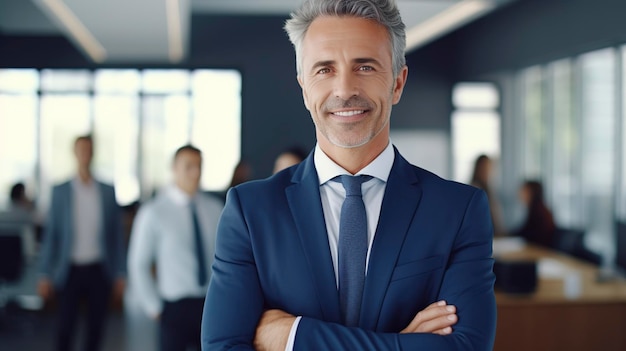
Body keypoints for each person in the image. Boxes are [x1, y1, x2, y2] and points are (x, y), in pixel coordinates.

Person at [201, 0, 497, 350]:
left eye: (365, 67)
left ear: (398, 83)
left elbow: (466, 347)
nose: (344, 90)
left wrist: (294, 337)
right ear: (304, 88)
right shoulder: (251, 211)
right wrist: (400, 343)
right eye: (324, 69)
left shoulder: (458, 210)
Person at [128, 144, 224, 351]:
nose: (195, 173)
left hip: (210, 304)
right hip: (173, 308)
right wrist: (154, 308)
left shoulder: (215, 209)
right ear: (174, 169)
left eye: (199, 166)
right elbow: (138, 264)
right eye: (189, 166)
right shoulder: (153, 212)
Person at [37, 135, 126, 351]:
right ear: (75, 153)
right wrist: (44, 273)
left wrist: (120, 273)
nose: (85, 153)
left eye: (88, 149)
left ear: (93, 153)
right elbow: (53, 235)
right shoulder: (61, 190)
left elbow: (116, 235)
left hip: (99, 268)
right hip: (69, 269)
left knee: (96, 328)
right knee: (65, 327)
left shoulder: (106, 190)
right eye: (81, 149)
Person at [470, 154, 506, 236]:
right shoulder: (474, 189)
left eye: (489, 167)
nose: (487, 171)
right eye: (484, 167)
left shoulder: (490, 188)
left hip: (494, 233)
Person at [513, 180, 556, 248]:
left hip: (541, 250)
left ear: (532, 193)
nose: (520, 194)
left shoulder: (539, 212)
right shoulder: (536, 208)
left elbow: (530, 234)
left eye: (524, 191)